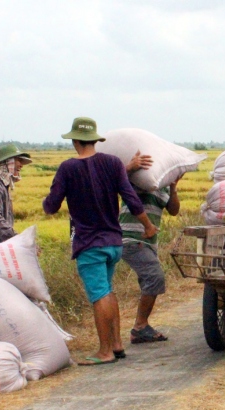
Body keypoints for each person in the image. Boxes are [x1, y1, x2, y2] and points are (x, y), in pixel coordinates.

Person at [43, 117, 157, 366]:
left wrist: (48, 199)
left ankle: (104, 351)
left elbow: (51, 206)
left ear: (74, 141)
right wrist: (147, 225)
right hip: (114, 242)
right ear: (95, 140)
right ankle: (116, 345)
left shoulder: (67, 169)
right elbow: (131, 198)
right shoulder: (114, 163)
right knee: (107, 290)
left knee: (99, 294)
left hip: (90, 244)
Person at [119, 151, 181, 344]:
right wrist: (130, 167)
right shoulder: (136, 179)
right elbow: (113, 179)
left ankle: (141, 327)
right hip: (132, 238)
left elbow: (173, 210)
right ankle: (140, 327)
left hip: (148, 241)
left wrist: (173, 187)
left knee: (148, 280)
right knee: (155, 277)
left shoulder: (160, 185)